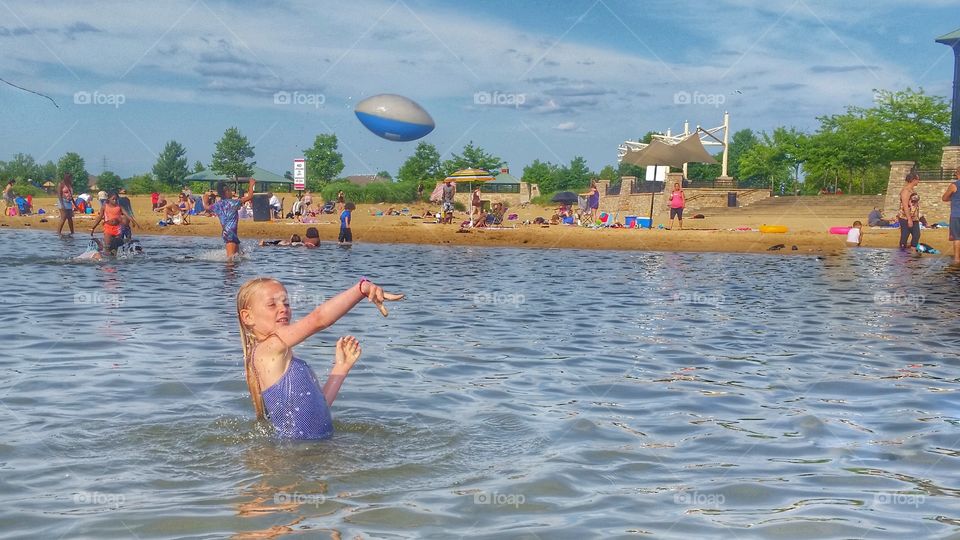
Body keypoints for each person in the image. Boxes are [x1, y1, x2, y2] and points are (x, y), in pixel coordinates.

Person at [235, 276, 403, 440]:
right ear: (248, 317)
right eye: (272, 304)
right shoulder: (268, 348)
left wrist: (340, 368)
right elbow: (319, 319)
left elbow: (318, 407)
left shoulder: (282, 356)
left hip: (312, 452)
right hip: (295, 456)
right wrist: (360, 289)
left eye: (286, 303)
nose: (283, 308)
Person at [204, 178, 257, 258]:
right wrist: (251, 184)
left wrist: (205, 200)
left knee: (240, 255)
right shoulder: (233, 203)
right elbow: (250, 196)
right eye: (230, 191)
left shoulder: (217, 205)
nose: (232, 193)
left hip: (228, 233)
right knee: (230, 260)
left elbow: (207, 207)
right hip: (230, 234)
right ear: (226, 192)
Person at [897, 172, 921, 253]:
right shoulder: (905, 191)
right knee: (905, 234)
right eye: (918, 179)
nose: (919, 181)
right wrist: (909, 219)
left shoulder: (912, 190)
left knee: (916, 234)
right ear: (913, 180)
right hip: (905, 217)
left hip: (914, 217)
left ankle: (913, 250)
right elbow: (905, 205)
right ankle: (902, 253)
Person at [942, 166, 960, 264]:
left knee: (957, 238)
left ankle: (957, 259)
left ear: (957, 174)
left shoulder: (954, 185)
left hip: (956, 215)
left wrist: (953, 198)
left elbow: (944, 198)